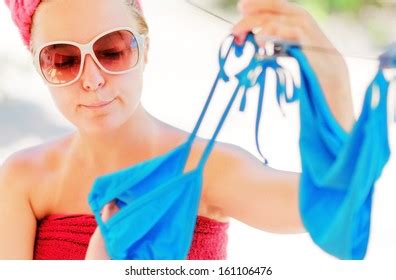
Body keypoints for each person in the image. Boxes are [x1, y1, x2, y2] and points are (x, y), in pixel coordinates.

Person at [0, 0, 354, 260]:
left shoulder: (203, 168)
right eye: (63, 60)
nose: (92, 80)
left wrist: (333, 74)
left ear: (146, 49)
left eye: (112, 50)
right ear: (39, 67)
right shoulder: (23, 180)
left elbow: (336, 204)